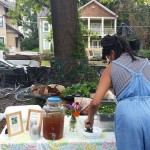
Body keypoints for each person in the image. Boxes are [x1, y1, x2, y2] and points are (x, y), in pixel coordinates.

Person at [85, 34, 150, 150]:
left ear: (112, 53)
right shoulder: (147, 62)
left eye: (108, 57)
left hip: (128, 115)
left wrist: (90, 119)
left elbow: (95, 103)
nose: (109, 60)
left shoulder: (111, 67)